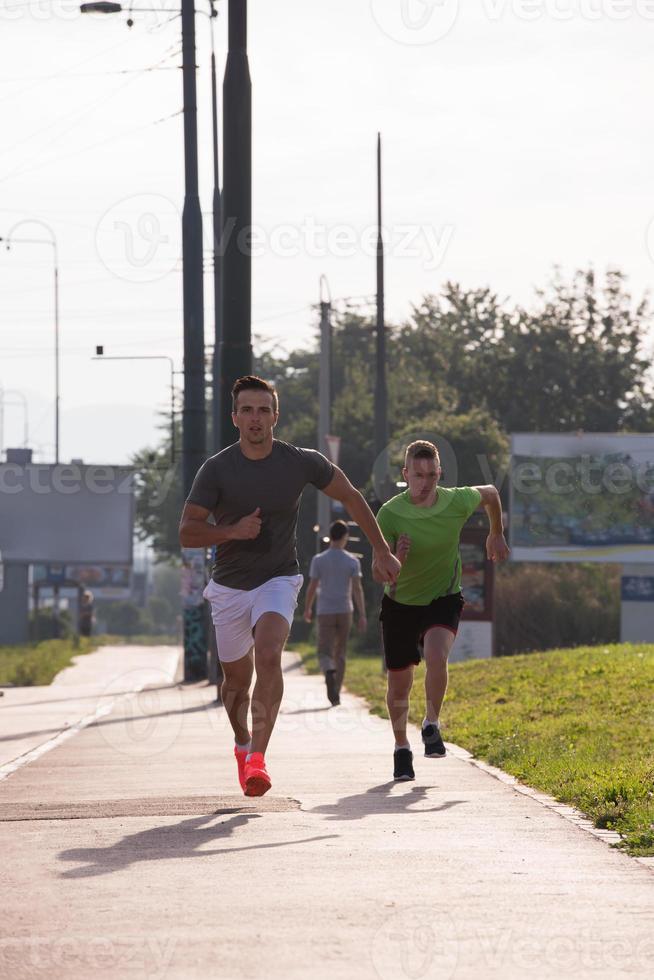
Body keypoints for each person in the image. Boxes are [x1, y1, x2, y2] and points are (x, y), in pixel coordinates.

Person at [179, 375, 400, 797]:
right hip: (228, 586)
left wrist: (382, 551)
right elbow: (187, 532)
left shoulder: (300, 461)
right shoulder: (218, 469)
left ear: (276, 416)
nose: (256, 418)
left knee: (268, 653)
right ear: (235, 418)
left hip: (279, 576)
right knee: (234, 684)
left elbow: (352, 496)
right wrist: (232, 532)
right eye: (247, 410)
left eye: (264, 410)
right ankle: (242, 744)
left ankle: (259, 759)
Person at [375, 440, 509, 781]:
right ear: (405, 475)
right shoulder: (390, 513)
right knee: (399, 685)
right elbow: (378, 574)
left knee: (437, 655)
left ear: (440, 474)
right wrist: (398, 560)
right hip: (400, 603)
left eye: (432, 475)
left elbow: (492, 492)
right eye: (418, 475)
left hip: (443, 597)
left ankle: (431, 724)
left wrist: (496, 533)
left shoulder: (454, 500)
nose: (425, 482)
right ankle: (401, 747)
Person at [303, 519, 367, 706]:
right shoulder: (352, 561)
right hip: (345, 610)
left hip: (325, 611)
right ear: (345, 537)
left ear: (330, 536)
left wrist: (307, 608)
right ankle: (336, 692)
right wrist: (362, 614)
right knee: (341, 652)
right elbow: (357, 589)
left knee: (324, 651)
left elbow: (312, 587)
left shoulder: (319, 560)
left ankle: (329, 670)